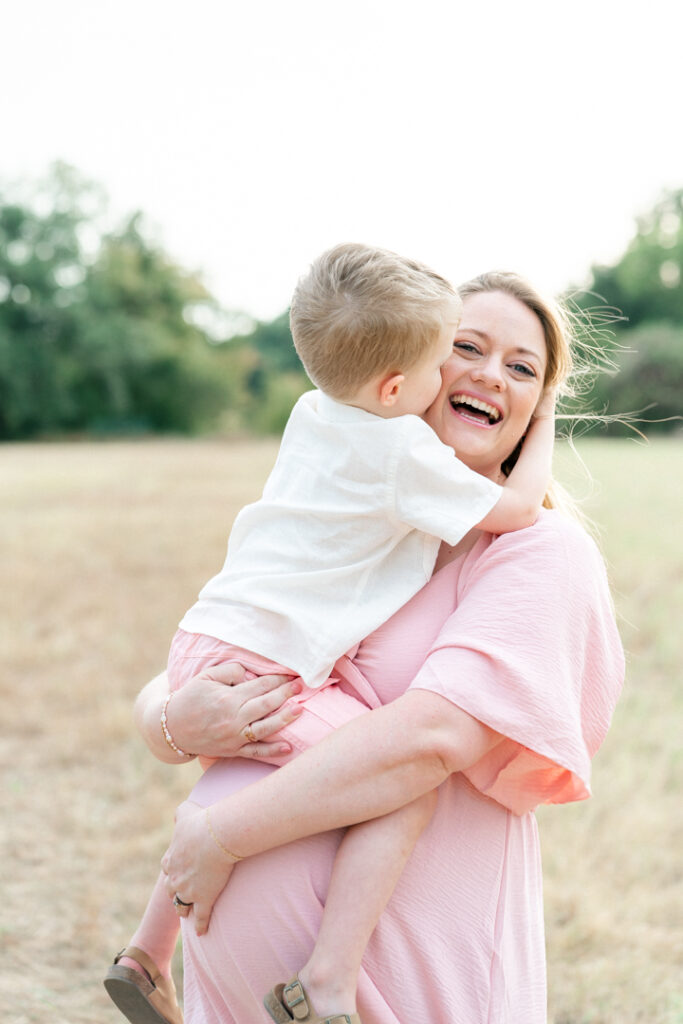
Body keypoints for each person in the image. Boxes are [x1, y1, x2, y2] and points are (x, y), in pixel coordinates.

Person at [144, 274, 622, 1023]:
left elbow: (430, 740)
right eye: (465, 347)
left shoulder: (537, 552)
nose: (490, 374)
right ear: (410, 367)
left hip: (410, 985)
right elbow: (210, 651)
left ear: (538, 409)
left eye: (523, 368)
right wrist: (169, 723)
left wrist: (220, 837)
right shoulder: (367, 532)